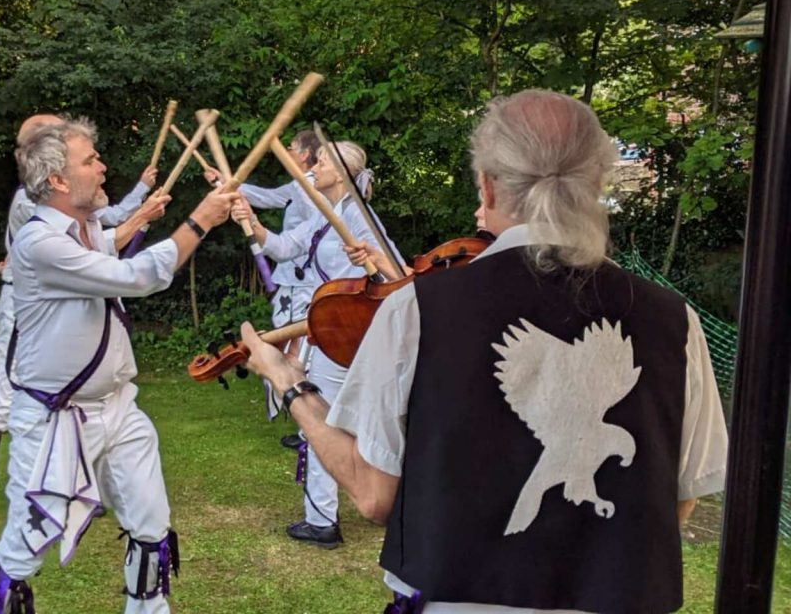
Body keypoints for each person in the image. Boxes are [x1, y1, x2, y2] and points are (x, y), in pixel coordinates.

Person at [239, 90, 728, 612]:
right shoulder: (675, 320)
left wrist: (290, 383)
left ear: (490, 186)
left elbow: (374, 494)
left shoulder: (415, 309)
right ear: (597, 185)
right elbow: (677, 497)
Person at [0, 116, 236, 614]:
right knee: (24, 551)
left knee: (152, 526)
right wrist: (200, 220)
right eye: (90, 160)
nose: (103, 166)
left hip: (119, 408)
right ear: (58, 180)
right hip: (55, 420)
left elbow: (111, 245)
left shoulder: (85, 228)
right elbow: (134, 276)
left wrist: (147, 216)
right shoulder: (39, 243)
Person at [0, 113, 167, 548]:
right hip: (28, 311)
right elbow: (81, 247)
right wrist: (147, 215)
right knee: (2, 406)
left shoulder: (78, 210)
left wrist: (143, 205)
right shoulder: (30, 203)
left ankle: (78, 488)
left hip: (64, 298)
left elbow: (101, 236)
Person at [233, 140, 404, 549]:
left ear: (341, 173)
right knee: (358, 420)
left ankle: (321, 520)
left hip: (348, 330)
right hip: (333, 329)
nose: (314, 168)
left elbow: (397, 272)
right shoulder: (326, 215)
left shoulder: (360, 217)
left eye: (322, 163)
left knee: (322, 421)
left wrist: (374, 257)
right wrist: (252, 223)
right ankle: (387, 501)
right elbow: (285, 247)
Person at [205, 129, 321, 425]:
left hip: (308, 280)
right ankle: (298, 409)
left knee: (302, 348)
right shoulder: (300, 186)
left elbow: (314, 212)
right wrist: (224, 182)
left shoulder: (311, 186)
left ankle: (309, 409)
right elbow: (267, 197)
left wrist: (236, 194)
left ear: (305, 154)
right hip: (292, 280)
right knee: (286, 345)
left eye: (292, 148)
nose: (287, 152)